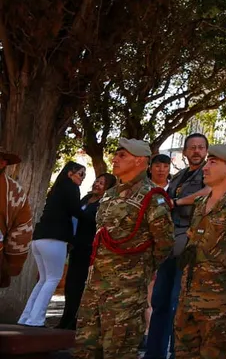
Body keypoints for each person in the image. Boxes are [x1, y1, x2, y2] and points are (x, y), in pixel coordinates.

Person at [74, 138, 174, 359]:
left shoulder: (152, 197)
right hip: (95, 287)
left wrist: (139, 271)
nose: (115, 159)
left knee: (118, 351)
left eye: (122, 155)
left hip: (126, 291)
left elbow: (164, 244)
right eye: (116, 154)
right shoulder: (109, 195)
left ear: (140, 161)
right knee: (85, 348)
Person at [173, 144, 226, 359]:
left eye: (212, 162)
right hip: (188, 302)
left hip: (220, 307)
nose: (205, 167)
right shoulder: (200, 204)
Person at [146, 133, 210, 359]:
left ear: (206, 151)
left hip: (189, 245)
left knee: (178, 304)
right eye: (192, 147)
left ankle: (177, 353)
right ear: (184, 152)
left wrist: (178, 202)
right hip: (169, 245)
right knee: (160, 302)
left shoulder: (207, 173)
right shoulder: (179, 177)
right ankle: (154, 353)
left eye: (201, 147)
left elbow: (208, 192)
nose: (196, 151)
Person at [19, 160, 84, 326]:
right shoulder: (71, 188)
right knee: (53, 278)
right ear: (70, 173)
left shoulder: (55, 189)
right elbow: (76, 211)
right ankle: (36, 319)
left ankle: (26, 317)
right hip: (55, 239)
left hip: (39, 238)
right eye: (80, 174)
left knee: (43, 280)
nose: (82, 178)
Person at [58, 172, 117, 330]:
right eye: (97, 181)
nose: (97, 185)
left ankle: (76, 323)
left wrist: (80, 214)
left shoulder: (105, 203)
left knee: (81, 286)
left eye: (102, 183)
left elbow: (96, 221)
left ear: (108, 188)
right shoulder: (86, 198)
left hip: (90, 249)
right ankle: (66, 319)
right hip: (76, 247)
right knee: (70, 285)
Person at [0, 147, 34, 290]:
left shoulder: (14, 192)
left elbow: (22, 230)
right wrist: (13, 263)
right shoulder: (14, 191)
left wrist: (13, 263)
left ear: (3, 163)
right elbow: (22, 233)